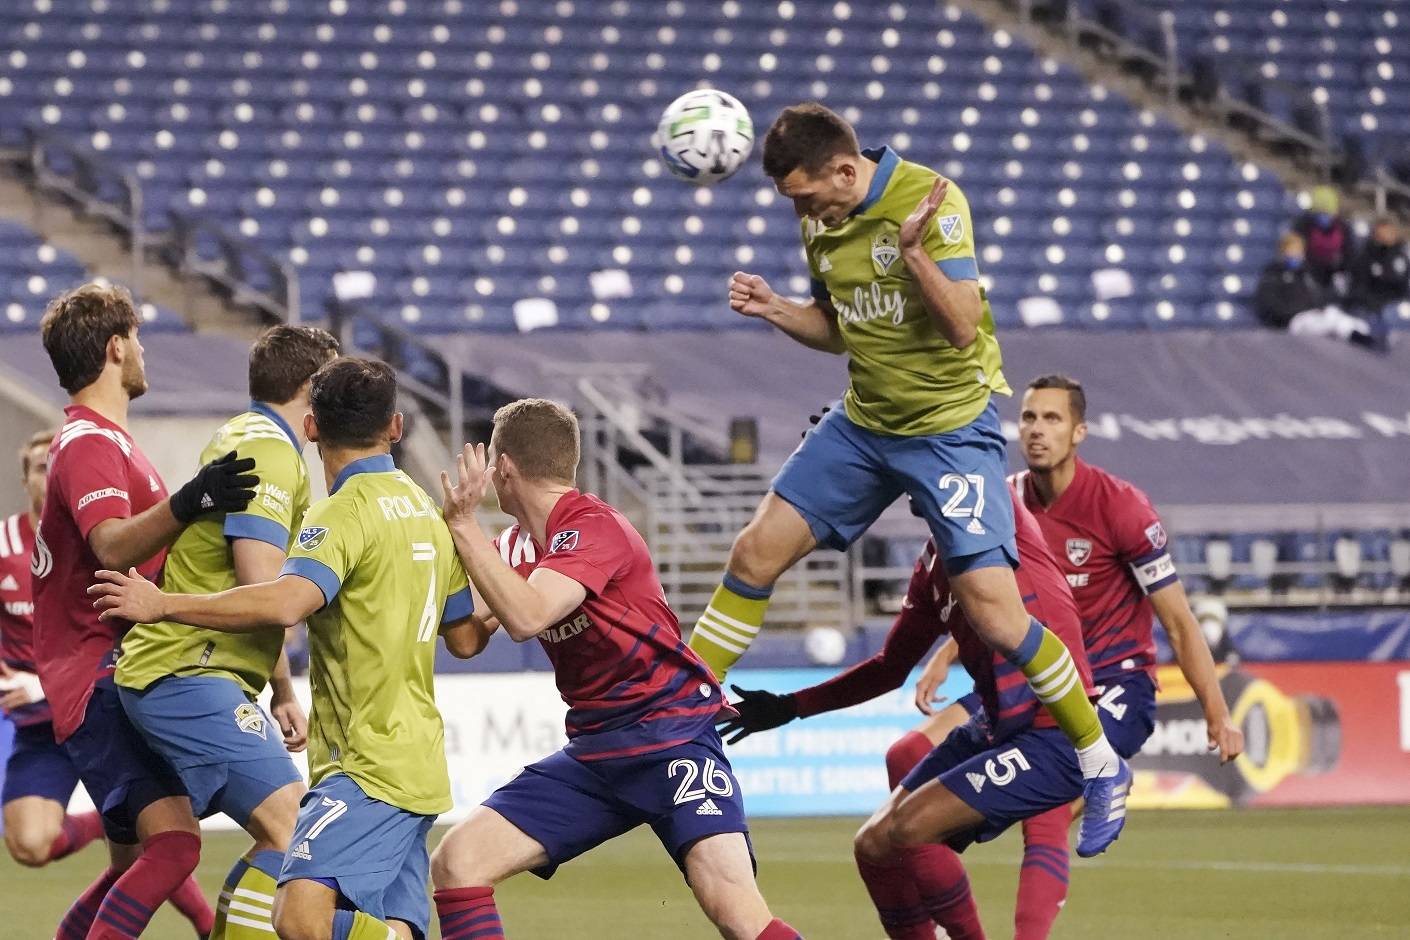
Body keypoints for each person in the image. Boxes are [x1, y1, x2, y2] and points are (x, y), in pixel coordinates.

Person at [684, 101, 1130, 855]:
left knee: (992, 613)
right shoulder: (818, 220)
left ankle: (1099, 758)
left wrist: (915, 252)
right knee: (754, 552)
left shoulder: (934, 201)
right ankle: (682, 719)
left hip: (950, 430)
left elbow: (961, 326)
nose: (803, 211)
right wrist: (776, 309)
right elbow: (842, 326)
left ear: (846, 171)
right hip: (865, 422)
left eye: (807, 195)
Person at [90, 356, 486, 940]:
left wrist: (163, 604)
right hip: (420, 762)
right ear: (396, 428)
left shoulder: (340, 514)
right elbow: (467, 638)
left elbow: (283, 603)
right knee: (392, 927)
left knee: (297, 918)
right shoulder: (428, 514)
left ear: (312, 428)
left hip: (365, 768)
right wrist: (508, 586)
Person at [430, 399, 804, 940]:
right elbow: (465, 640)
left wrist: (462, 525)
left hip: (669, 736)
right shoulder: (511, 546)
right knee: (457, 862)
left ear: (503, 467)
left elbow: (527, 616)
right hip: (597, 752)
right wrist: (434, 559)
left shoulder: (594, 525)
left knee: (737, 914)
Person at [720, 485, 1120, 940]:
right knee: (872, 845)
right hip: (998, 725)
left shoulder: (998, 514)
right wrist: (791, 706)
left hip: (1054, 734)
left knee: (912, 828)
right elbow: (890, 667)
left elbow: (957, 447)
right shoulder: (933, 565)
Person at [33, 282, 259, 938]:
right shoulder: (86, 446)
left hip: (118, 670)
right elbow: (109, 546)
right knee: (177, 845)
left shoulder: (107, 442)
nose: (142, 350)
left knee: (138, 859)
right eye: (136, 338)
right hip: (98, 676)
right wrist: (190, 502)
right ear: (114, 347)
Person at [115, 324, 339, 938]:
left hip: (193, 670)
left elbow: (251, 590)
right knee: (295, 833)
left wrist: (283, 689)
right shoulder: (269, 450)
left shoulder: (245, 435)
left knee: (279, 837)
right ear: (311, 389)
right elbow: (265, 591)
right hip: (187, 670)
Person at [1, 429, 106, 870]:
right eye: (42, 468)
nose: (52, 475)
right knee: (28, 845)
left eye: (59, 467)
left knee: (150, 839)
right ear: (25, 480)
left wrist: (44, 684)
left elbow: (118, 639)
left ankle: (203, 927)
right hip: (40, 730)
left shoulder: (101, 543)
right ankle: (100, 824)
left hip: (100, 718)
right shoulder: (3, 546)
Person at [1254, 233, 1372, 343]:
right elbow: (1270, 305)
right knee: (1331, 324)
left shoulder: (1307, 273)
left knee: (1349, 320)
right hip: (1294, 320)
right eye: (1292, 250)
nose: (1295, 254)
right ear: (1283, 252)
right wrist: (1293, 313)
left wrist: (1321, 307)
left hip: (1314, 313)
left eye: (1298, 250)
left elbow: (1319, 295)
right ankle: (1356, 338)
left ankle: (1363, 337)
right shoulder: (1274, 274)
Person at [1292, 185, 1353, 288]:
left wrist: (1341, 270)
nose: (1323, 216)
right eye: (1319, 213)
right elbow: (1296, 250)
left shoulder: (1343, 228)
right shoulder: (1303, 225)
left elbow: (1349, 254)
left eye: (1327, 213)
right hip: (1309, 271)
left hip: (1334, 273)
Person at [1349, 216, 1409, 315]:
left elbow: (1404, 285)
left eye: (1389, 231)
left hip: (1397, 307)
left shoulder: (1401, 256)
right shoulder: (1366, 256)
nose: (1385, 235)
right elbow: (1359, 287)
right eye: (1381, 231)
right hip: (1373, 308)